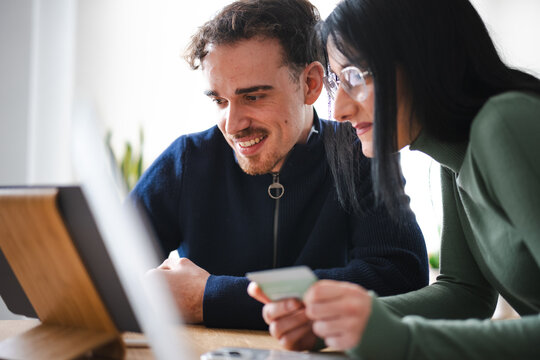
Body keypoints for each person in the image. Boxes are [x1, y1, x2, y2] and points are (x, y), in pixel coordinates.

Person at [249, 0, 540, 357]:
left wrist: (402, 341)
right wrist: (340, 321)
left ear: (424, 57)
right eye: (337, 81)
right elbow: (465, 292)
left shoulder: (505, 125)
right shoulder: (453, 157)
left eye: (355, 76)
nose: (338, 109)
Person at [131, 0, 429, 331]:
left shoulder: (361, 153)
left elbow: (400, 278)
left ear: (311, 84)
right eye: (219, 100)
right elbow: (108, 266)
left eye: (253, 97)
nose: (232, 125)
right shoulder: (187, 160)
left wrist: (211, 296)